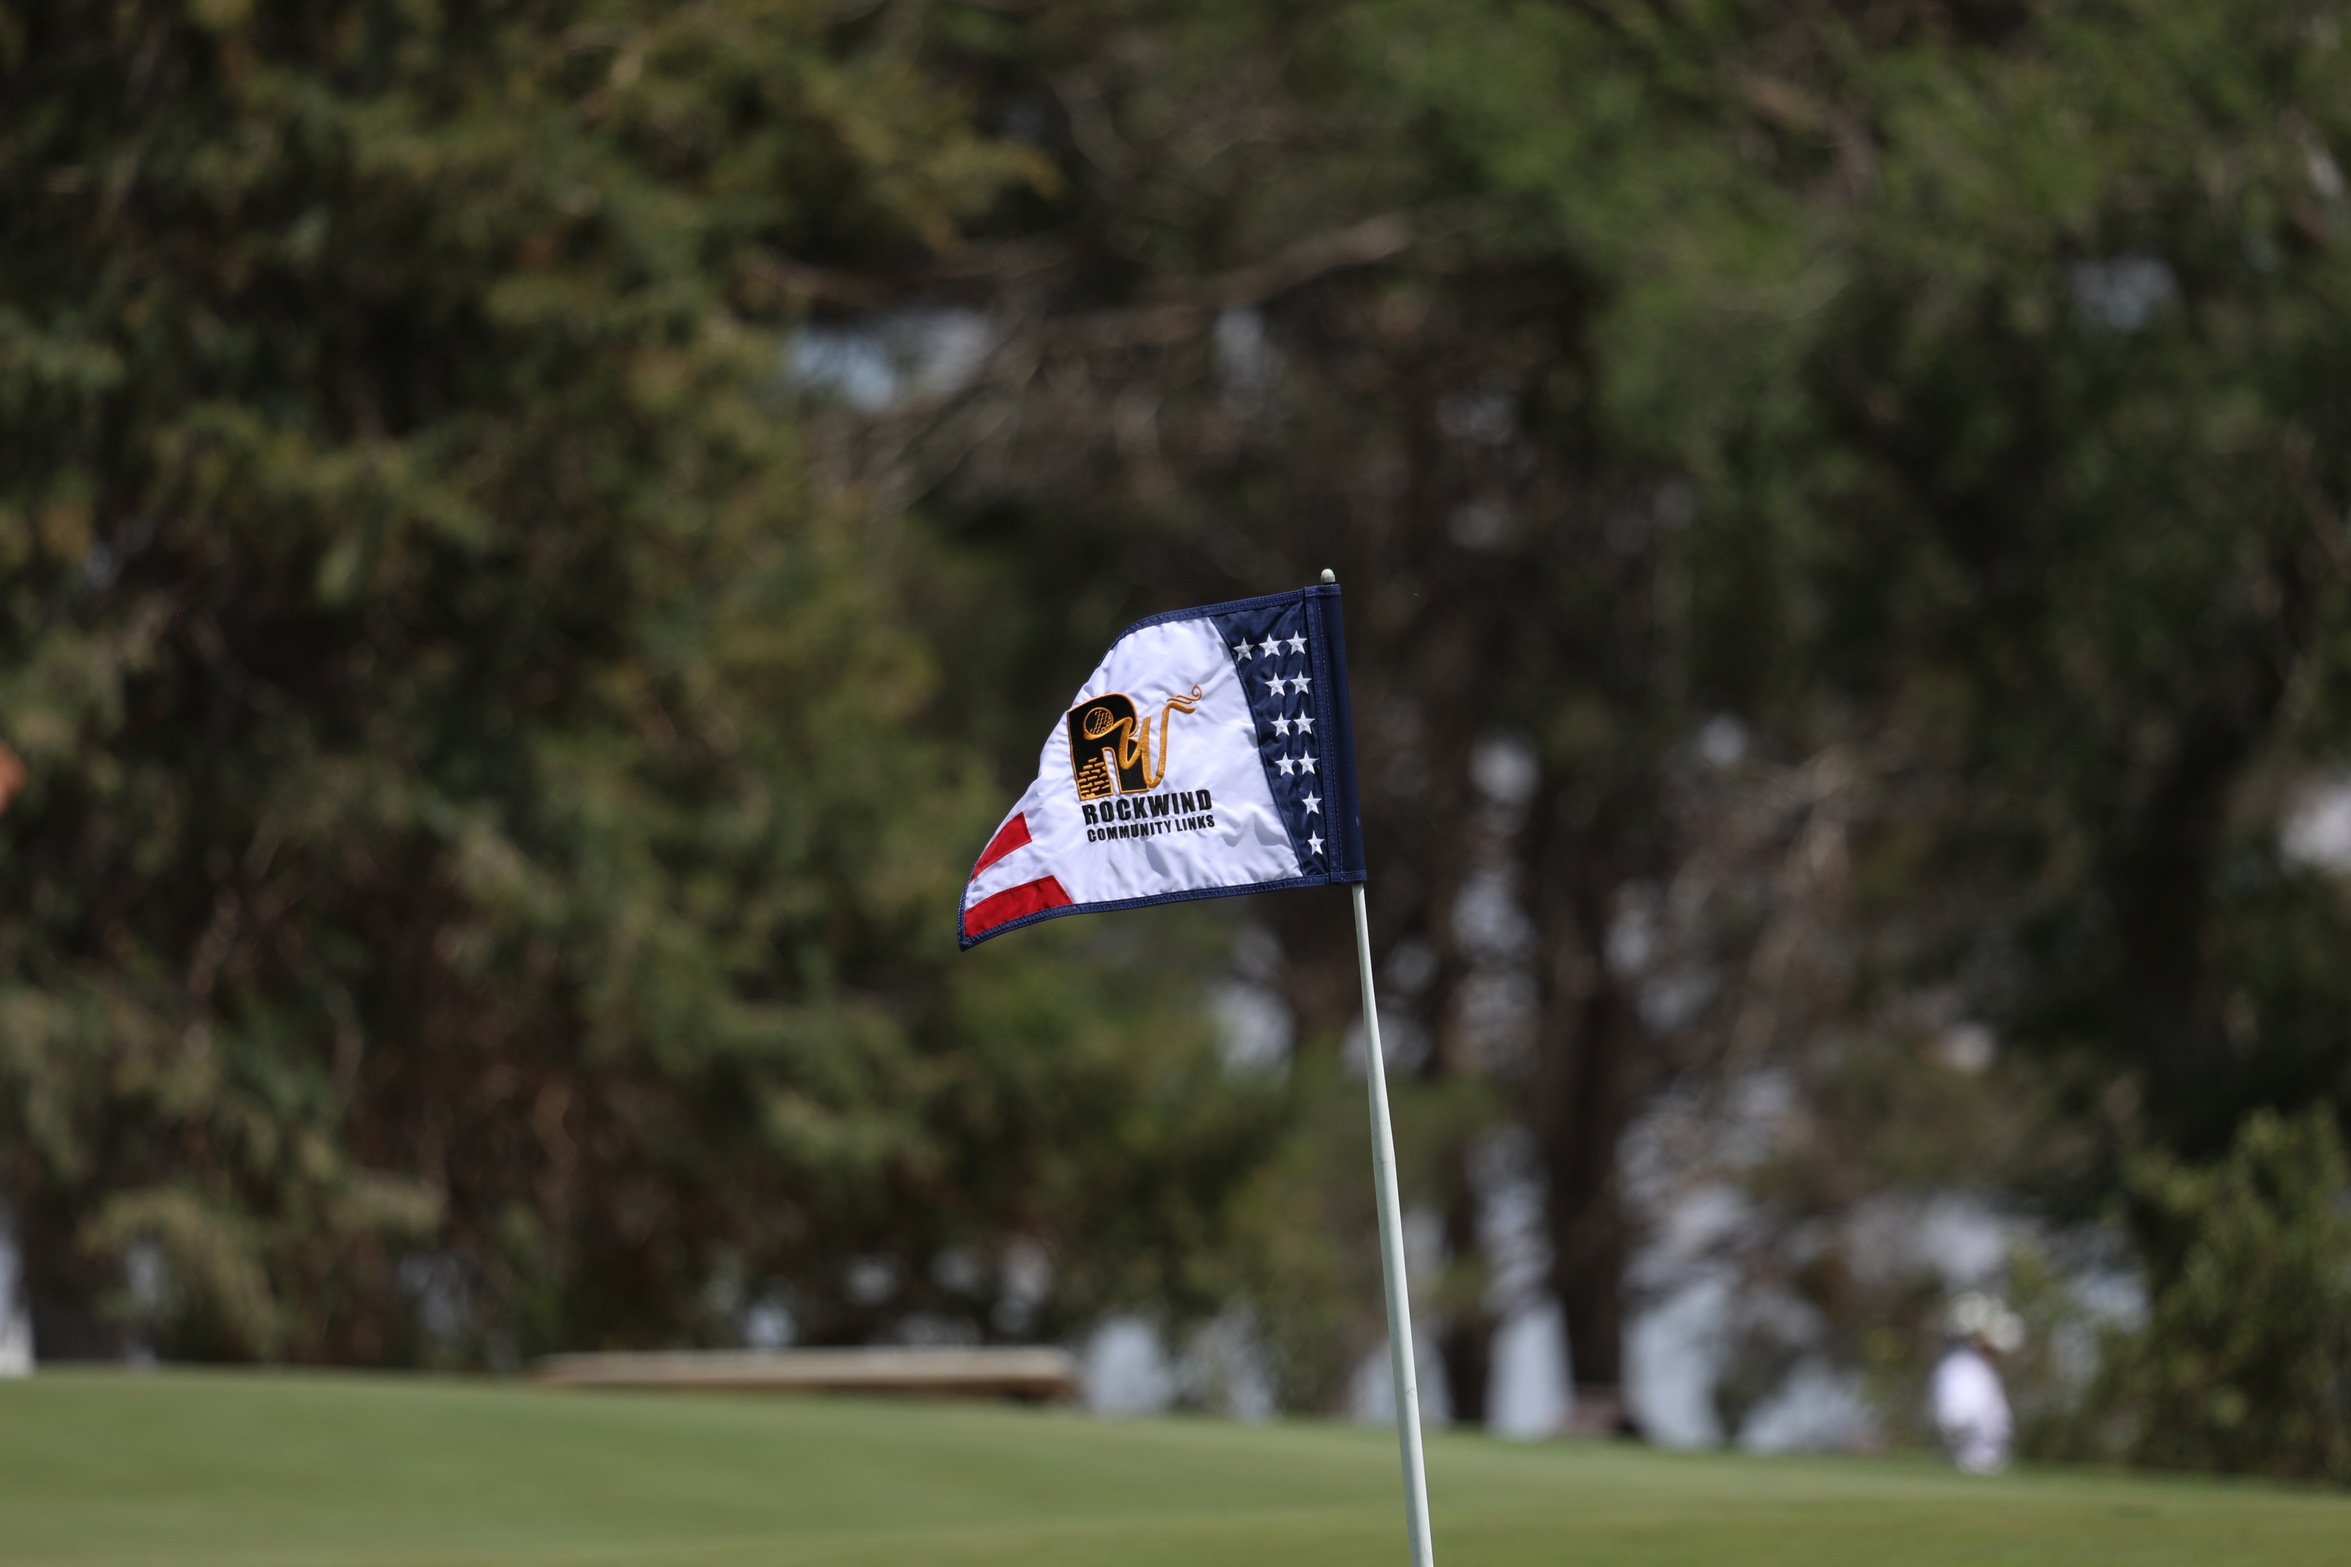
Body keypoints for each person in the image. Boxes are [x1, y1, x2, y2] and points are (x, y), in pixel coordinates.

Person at [1932, 1292, 2020, 1474]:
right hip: (1971, 1463)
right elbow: (1955, 1419)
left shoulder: (1978, 1369)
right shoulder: (1961, 1368)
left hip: (1991, 1461)